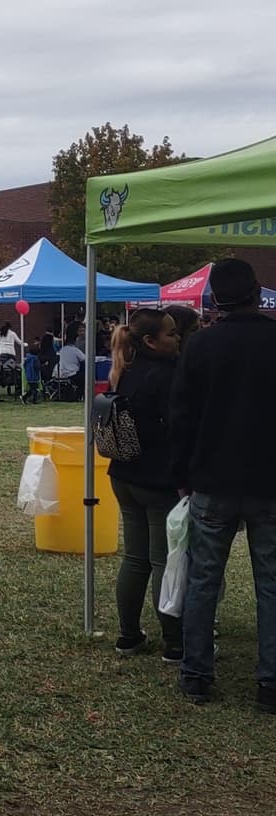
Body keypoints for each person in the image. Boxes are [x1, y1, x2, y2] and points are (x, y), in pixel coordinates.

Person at [169, 259, 276, 710]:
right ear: (257, 292)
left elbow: (181, 417)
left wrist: (181, 475)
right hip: (269, 481)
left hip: (211, 477)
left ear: (215, 297)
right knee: (270, 583)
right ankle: (269, 684)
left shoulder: (199, 346)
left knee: (204, 579)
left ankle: (197, 674)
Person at [100, 308, 183, 661]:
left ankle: (129, 634)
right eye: (172, 334)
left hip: (123, 474)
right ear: (150, 340)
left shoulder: (124, 371)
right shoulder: (168, 375)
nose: (178, 339)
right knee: (163, 560)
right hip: (156, 479)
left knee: (135, 558)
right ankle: (175, 642)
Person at [56, 322, 86, 386]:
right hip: (72, 375)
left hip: (63, 375)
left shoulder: (64, 349)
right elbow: (85, 359)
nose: (83, 333)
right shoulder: (73, 349)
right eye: (81, 331)